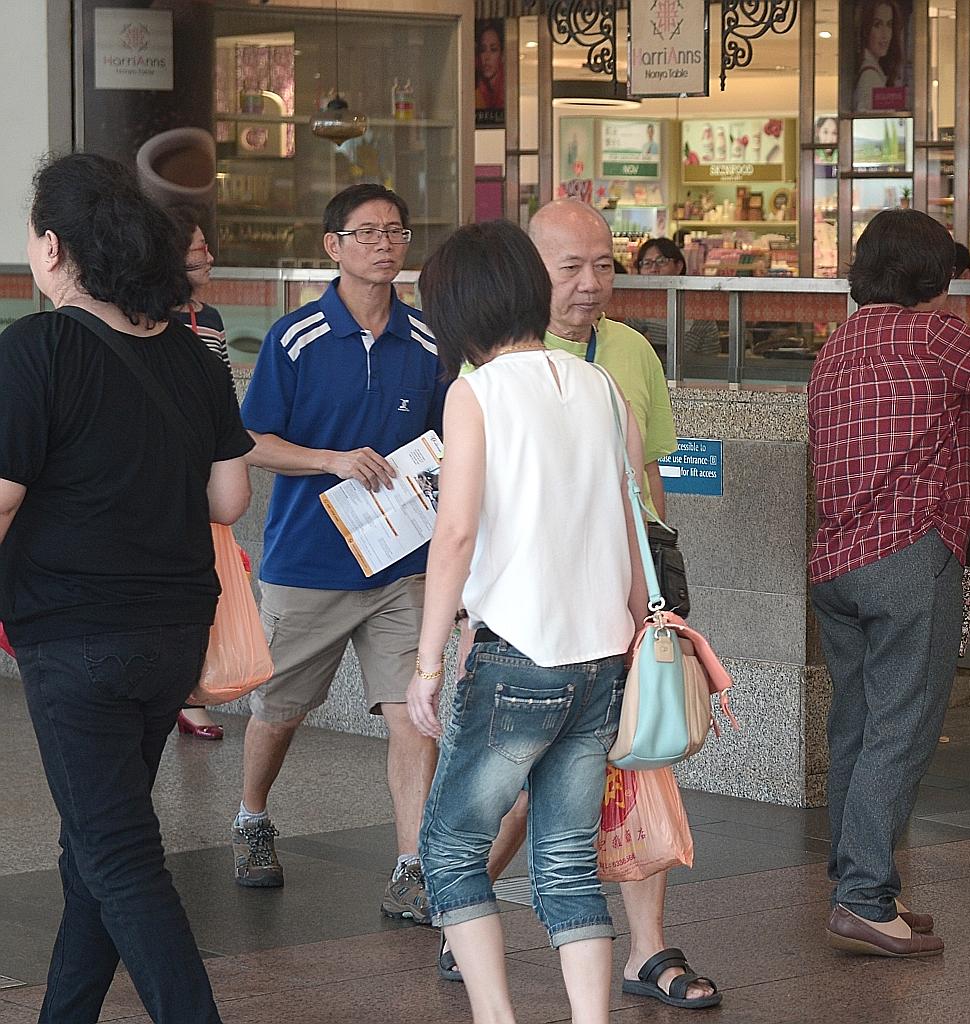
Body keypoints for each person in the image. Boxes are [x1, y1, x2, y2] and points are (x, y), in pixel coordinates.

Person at [439, 200, 717, 1009]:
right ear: (527, 270)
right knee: (548, 805)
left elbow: (645, 487)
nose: (592, 283)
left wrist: (650, 599)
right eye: (572, 266)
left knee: (630, 764)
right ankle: (477, 918)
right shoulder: (493, 376)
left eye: (605, 263)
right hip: (552, 614)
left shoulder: (624, 353)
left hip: (604, 602)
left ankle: (645, 946)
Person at [0, 152, 253, 1023]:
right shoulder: (192, 352)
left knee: (117, 856)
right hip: (174, 636)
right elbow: (230, 496)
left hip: (75, 639)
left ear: (55, 248)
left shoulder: (37, 348)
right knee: (95, 848)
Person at [409, 220, 647, 1024]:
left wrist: (428, 661)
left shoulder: (474, 392)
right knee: (568, 863)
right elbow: (629, 514)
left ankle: (497, 1018)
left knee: (448, 852)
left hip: (515, 657)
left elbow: (458, 532)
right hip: (599, 661)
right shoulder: (600, 388)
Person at [808, 209, 970, 957]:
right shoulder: (932, 333)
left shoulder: (837, 347)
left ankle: (860, 880)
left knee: (855, 725)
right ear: (929, 275)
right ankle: (863, 897)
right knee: (902, 730)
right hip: (909, 558)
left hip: (836, 564)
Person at [232, 184, 447, 922]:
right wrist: (330, 460)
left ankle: (412, 866)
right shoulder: (295, 338)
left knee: (412, 715)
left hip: (400, 568)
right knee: (280, 709)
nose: (384, 244)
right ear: (333, 246)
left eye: (396, 231)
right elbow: (251, 441)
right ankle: (252, 817)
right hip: (309, 562)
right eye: (366, 233)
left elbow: (452, 443)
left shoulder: (427, 341)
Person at [168, 207, 233, 741]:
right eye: (197, 249)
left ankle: (191, 690)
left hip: (208, 468)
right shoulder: (148, 320)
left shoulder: (209, 319)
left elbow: (224, 396)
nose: (208, 257)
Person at [627, 237, 719, 359]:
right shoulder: (636, 310)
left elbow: (711, 360)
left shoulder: (699, 312)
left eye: (661, 261)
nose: (654, 269)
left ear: (679, 266)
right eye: (647, 263)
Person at [852, 1, 903, 110]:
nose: (885, 34)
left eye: (889, 25)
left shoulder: (874, 72)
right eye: (877, 25)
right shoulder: (870, 78)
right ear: (865, 29)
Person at [475, 22, 505, 116]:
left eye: (493, 49)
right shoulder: (475, 94)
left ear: (502, 55)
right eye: (482, 50)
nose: (486, 57)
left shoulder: (508, 93)